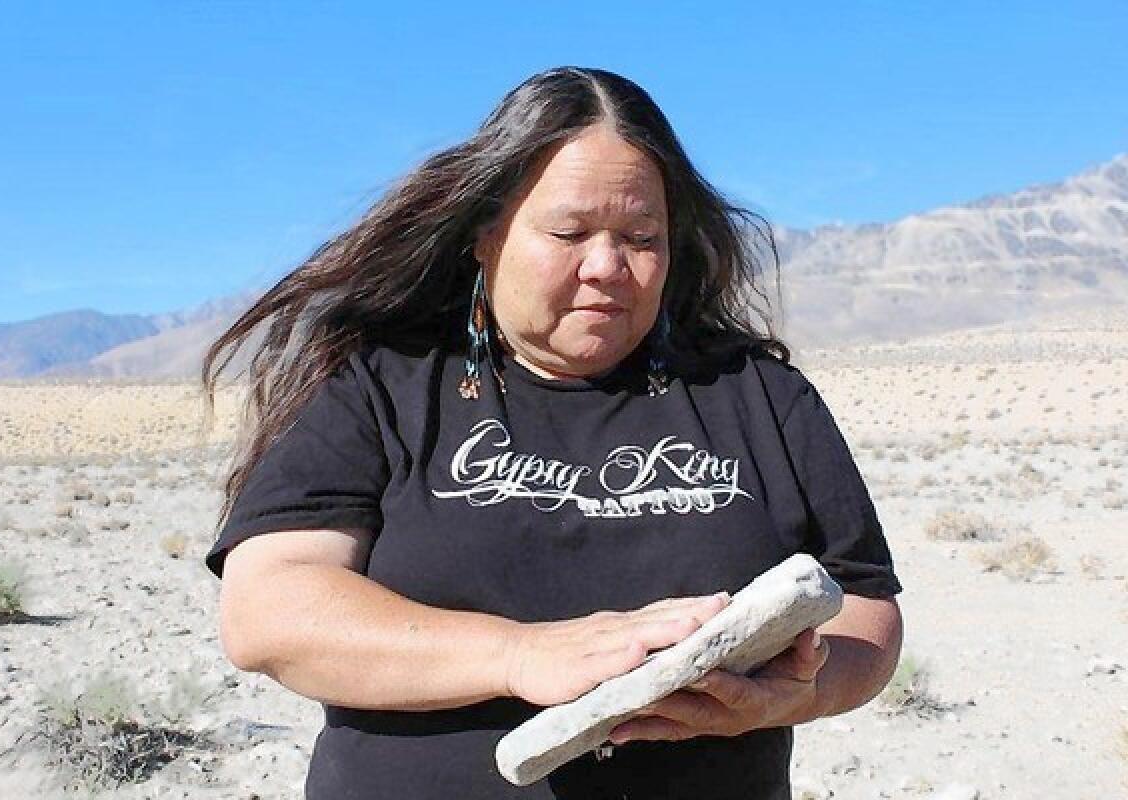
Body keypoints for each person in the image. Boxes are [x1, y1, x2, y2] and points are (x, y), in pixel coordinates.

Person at [202, 66, 903, 800]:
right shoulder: (382, 386)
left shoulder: (759, 396)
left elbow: (865, 611)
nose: (607, 267)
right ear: (485, 234)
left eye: (641, 236)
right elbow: (269, 611)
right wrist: (519, 654)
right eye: (569, 232)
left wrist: (798, 693)